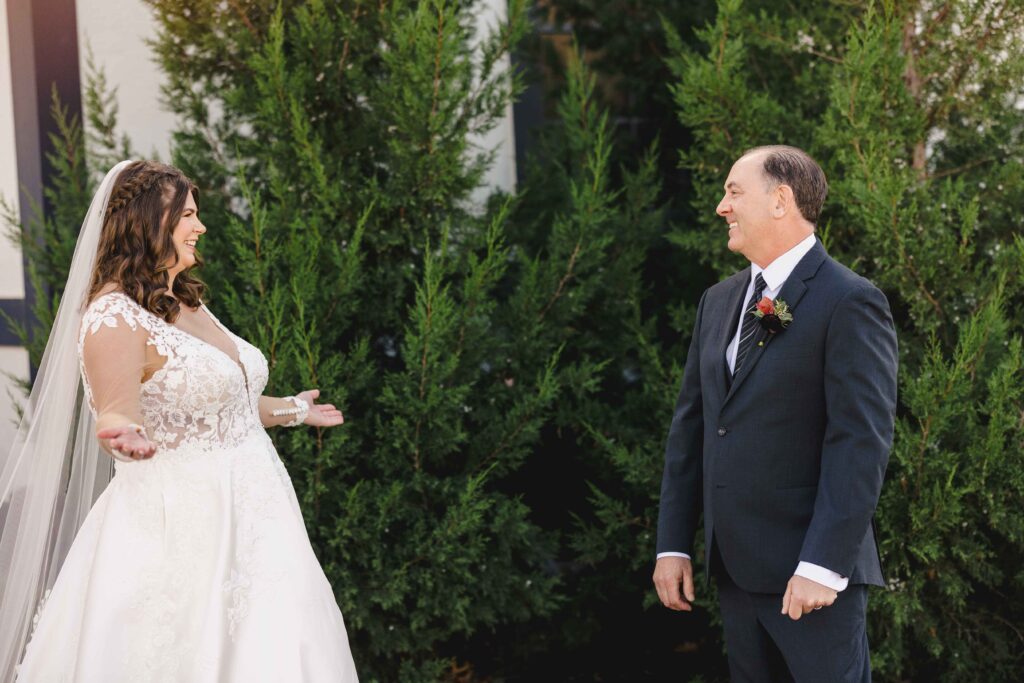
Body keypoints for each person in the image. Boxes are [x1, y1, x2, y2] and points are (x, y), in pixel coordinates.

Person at [0, 160, 359, 681]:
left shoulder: (182, 300)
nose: (201, 226)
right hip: (184, 529)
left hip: (257, 523)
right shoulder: (113, 317)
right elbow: (118, 411)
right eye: (188, 214)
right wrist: (119, 435)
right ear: (149, 222)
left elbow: (223, 405)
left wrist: (294, 410)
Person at [652, 146, 897, 682]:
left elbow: (860, 441)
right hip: (735, 575)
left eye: (733, 192)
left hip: (810, 582)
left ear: (781, 200)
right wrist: (673, 543)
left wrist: (822, 566)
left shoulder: (850, 301)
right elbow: (692, 429)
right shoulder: (717, 302)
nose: (722, 207)